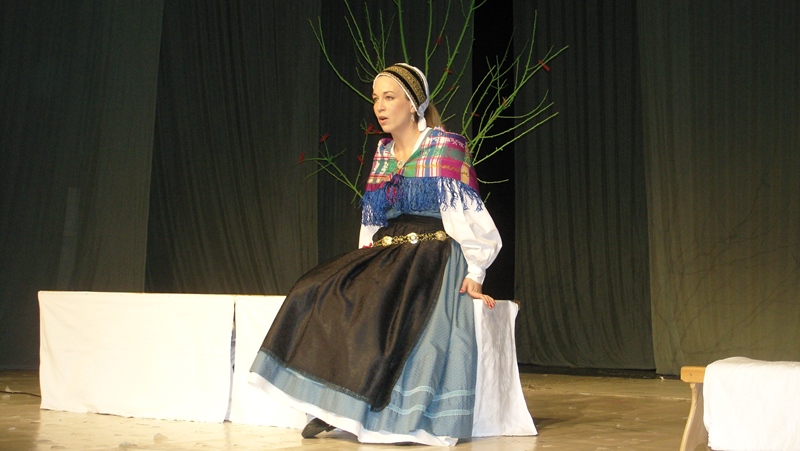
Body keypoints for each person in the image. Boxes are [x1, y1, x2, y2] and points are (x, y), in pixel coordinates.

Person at [248, 62, 502, 446]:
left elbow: (467, 215)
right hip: (387, 249)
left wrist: (476, 271)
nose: (379, 107)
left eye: (389, 97)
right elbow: (373, 220)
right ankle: (331, 401)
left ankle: (377, 408)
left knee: (389, 310)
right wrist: (361, 265)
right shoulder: (383, 152)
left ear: (413, 104)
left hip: (431, 252)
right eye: (375, 99)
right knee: (315, 289)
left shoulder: (443, 146)